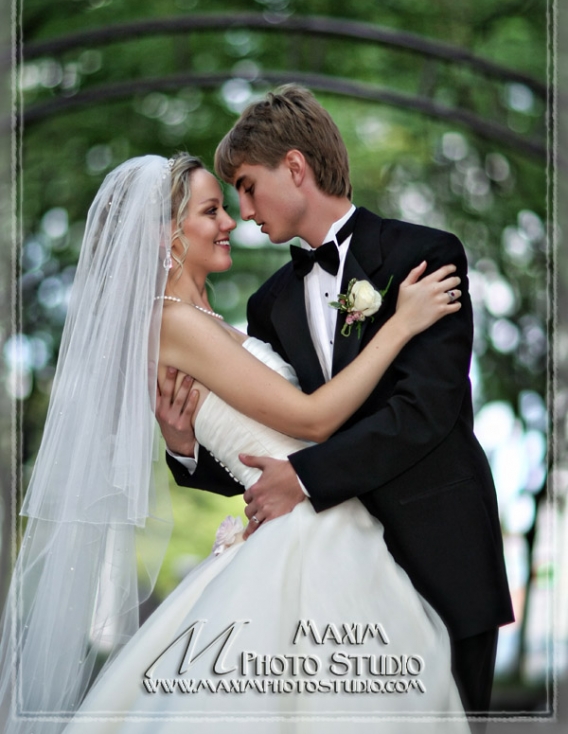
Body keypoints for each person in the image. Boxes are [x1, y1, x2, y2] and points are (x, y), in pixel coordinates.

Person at [0, 152, 468, 733]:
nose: (232, 221)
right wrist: (399, 323)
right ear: (167, 235)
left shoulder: (217, 322)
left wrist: (183, 442)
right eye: (212, 209)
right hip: (307, 534)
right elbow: (312, 420)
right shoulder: (173, 322)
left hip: (321, 517)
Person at [162, 86, 514, 718]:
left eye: (246, 186)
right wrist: (185, 449)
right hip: (326, 568)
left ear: (295, 168)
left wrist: (304, 477)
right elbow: (270, 446)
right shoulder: (268, 303)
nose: (243, 212)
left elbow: (425, 413)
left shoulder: (425, 255)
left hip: (440, 552)